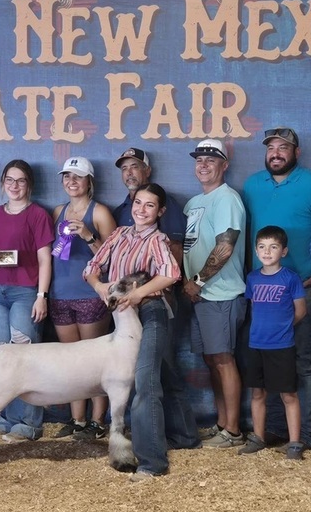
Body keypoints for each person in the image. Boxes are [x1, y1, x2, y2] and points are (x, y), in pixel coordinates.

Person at [85, 183, 199, 482]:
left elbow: (171, 274)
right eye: (138, 203)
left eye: (150, 205)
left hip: (152, 313)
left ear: (160, 211)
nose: (142, 209)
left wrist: (139, 295)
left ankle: (151, 462)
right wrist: (100, 286)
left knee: (145, 382)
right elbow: (92, 267)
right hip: (123, 317)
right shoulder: (119, 234)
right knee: (167, 374)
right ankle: (186, 436)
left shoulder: (158, 239)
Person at [242, 127, 311, 451]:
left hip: (300, 287)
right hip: (262, 292)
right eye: (271, 148)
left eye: (284, 147)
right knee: (267, 364)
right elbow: (245, 233)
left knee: (303, 362)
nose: (276, 153)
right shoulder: (251, 185)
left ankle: (304, 434)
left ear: (297, 153)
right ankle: (274, 430)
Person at [0, 159, 54, 443]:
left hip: (26, 291)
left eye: (20, 180)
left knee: (25, 355)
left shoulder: (37, 215)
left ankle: (30, 423)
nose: (14, 185)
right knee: (3, 356)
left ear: (29, 185)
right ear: (2, 183)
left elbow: (45, 260)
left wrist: (41, 296)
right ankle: (7, 417)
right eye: (9, 180)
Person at [182, 139, 247, 448]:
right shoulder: (195, 202)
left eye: (211, 159)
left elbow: (226, 246)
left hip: (221, 293)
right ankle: (223, 423)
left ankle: (233, 431)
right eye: (199, 159)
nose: (203, 164)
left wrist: (197, 280)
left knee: (223, 360)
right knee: (212, 361)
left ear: (225, 166)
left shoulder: (228, 199)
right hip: (201, 295)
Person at [49, 156, 116, 440]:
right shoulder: (57, 212)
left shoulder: (100, 212)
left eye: (77, 177)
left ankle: (98, 421)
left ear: (89, 181)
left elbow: (113, 256)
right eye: (67, 176)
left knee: (93, 361)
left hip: (91, 294)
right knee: (70, 363)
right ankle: (77, 420)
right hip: (60, 294)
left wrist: (89, 236)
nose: (71, 181)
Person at [238, 226, 306, 460]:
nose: (267, 252)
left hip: (282, 346)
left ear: (284, 251)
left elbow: (300, 312)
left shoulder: (291, 278)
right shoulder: (253, 278)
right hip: (257, 345)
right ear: (256, 250)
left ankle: (295, 443)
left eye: (273, 247)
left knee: (289, 395)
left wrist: (282, 328)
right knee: (258, 393)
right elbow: (254, 308)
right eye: (262, 247)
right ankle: (258, 437)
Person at [112, 147, 184, 261]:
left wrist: (167, 278)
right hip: (125, 277)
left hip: (158, 276)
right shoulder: (119, 211)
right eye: (124, 169)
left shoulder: (165, 202)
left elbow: (176, 247)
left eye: (134, 167)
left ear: (147, 171)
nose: (129, 173)